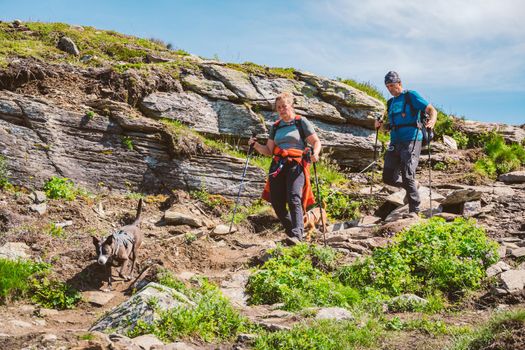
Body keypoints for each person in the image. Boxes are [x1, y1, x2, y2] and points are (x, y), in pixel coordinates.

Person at [249, 92, 322, 242]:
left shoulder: (300, 122)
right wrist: (255, 145)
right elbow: (269, 151)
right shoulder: (275, 127)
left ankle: (297, 235)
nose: (282, 109)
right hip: (278, 165)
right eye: (279, 107)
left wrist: (315, 153)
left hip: (296, 164)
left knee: (294, 197)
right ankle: (295, 231)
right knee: (276, 202)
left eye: (284, 106)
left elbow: (316, 142)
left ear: (291, 106)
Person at [375, 71, 437, 217]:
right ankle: (413, 186)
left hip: (412, 138)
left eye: (392, 85)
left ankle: (414, 211)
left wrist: (432, 120)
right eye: (387, 86)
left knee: (407, 173)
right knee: (388, 177)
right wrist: (379, 125)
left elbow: (431, 109)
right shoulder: (390, 103)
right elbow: (388, 126)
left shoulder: (411, 95)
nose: (390, 89)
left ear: (399, 83)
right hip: (395, 141)